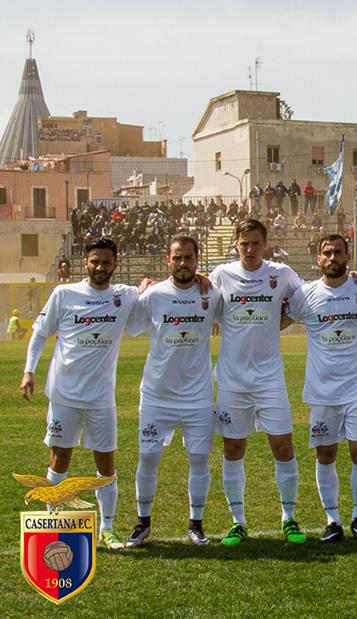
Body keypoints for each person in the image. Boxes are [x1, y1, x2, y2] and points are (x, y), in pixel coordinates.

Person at [20, 238, 139, 550]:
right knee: (61, 457)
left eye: (106, 262)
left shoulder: (124, 296)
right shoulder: (64, 293)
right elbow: (40, 333)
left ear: (116, 264)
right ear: (85, 263)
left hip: (101, 398)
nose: (100, 268)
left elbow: (157, 295)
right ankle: (54, 525)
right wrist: (29, 371)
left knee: (106, 462)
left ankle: (108, 529)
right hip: (64, 395)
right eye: (95, 262)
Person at [209, 219, 306, 546]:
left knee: (283, 447)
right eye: (244, 244)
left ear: (266, 245)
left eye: (255, 244)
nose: (249, 250)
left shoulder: (281, 274)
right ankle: (238, 521)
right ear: (236, 244)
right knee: (234, 448)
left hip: (270, 380)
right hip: (233, 381)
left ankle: (289, 518)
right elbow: (202, 301)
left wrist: (279, 322)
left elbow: (304, 301)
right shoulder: (221, 275)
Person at [123, 236, 222, 547]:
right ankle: (143, 523)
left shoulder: (212, 294)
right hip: (157, 396)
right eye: (177, 258)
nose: (183, 263)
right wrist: (138, 291)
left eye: (189, 258)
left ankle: (196, 524)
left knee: (198, 459)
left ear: (197, 260)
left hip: (197, 397)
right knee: (148, 457)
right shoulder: (154, 295)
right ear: (168, 260)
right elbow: (129, 324)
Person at [285, 234, 357, 543]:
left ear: (347, 255)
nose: (332, 258)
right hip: (322, 390)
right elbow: (273, 321)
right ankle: (332, 519)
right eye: (326, 253)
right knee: (325, 454)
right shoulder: (305, 294)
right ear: (318, 259)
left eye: (337, 252)